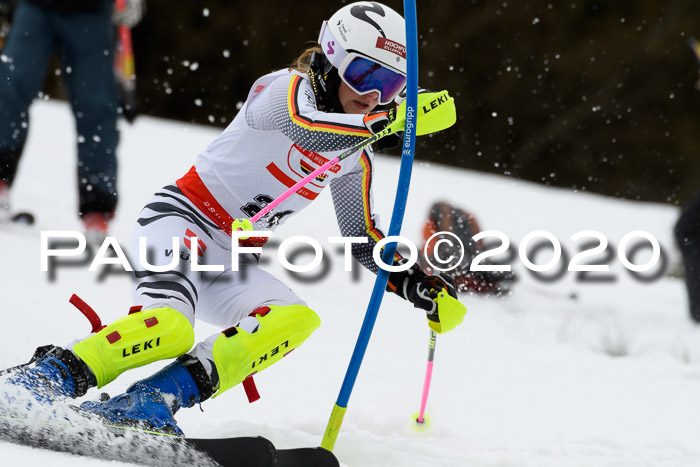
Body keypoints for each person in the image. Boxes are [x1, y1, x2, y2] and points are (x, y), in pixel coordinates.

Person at [4, 1, 466, 436]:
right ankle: (46, 376)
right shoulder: (281, 91)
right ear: (328, 61)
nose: (372, 96)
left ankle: (151, 400)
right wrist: (392, 122)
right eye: (364, 75)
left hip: (231, 258)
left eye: (390, 86)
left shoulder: (354, 155)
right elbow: (307, 130)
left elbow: (362, 239)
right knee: (169, 328)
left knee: (295, 319)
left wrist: (414, 283)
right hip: (179, 221)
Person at [0, 0, 143, 239]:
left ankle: (97, 211)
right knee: (9, 87)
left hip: (91, 14)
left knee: (96, 107)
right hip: (35, 7)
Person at [674, 192, 700, 323]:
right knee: (695, 274)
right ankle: (697, 314)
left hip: (691, 235)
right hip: (689, 237)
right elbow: (684, 225)